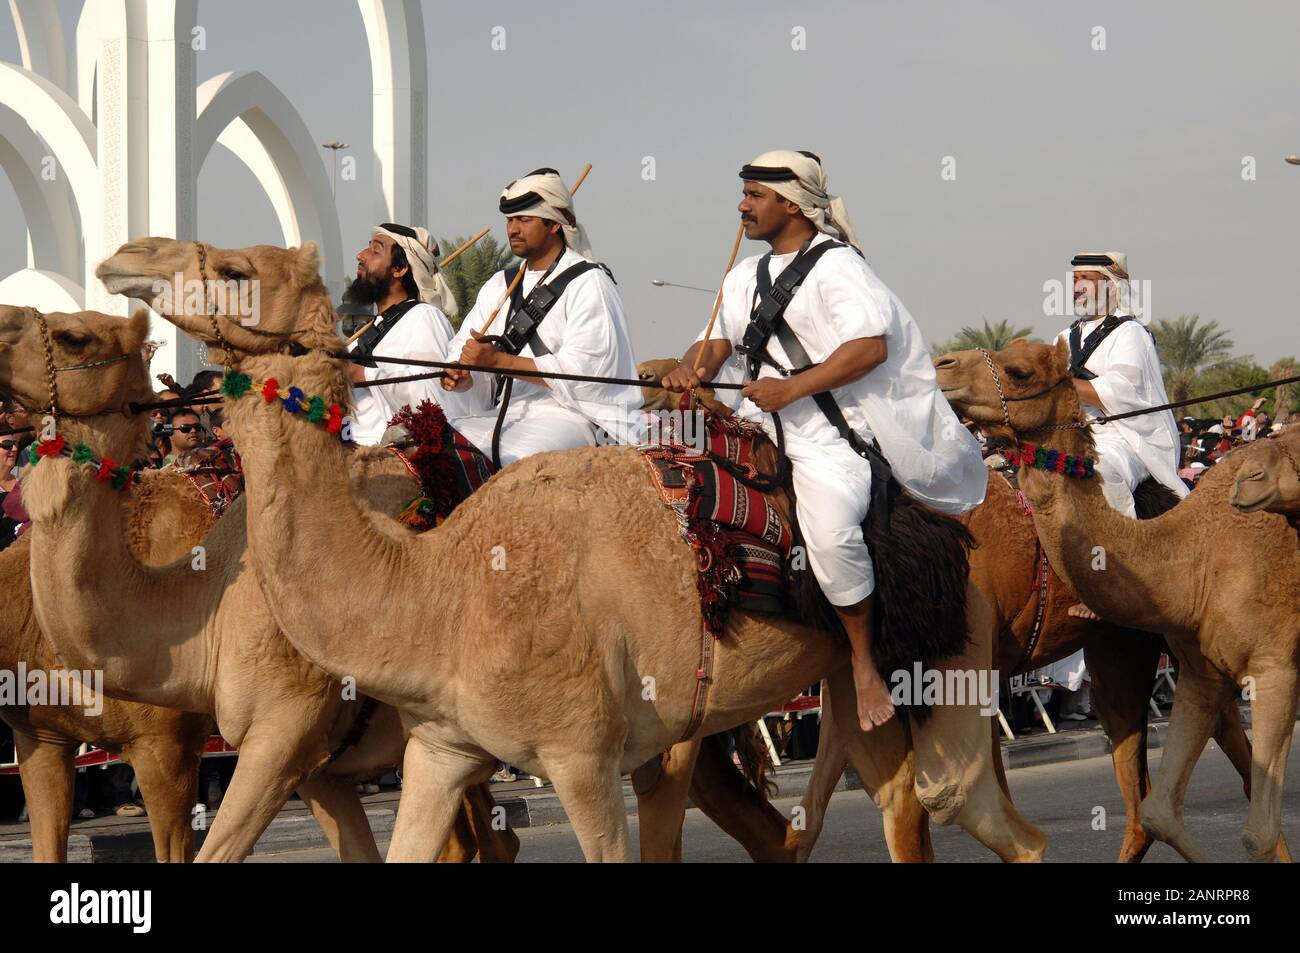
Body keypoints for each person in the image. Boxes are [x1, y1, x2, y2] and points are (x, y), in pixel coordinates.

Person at [661, 150, 986, 732]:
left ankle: (863, 663)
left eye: (754, 195)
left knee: (833, 534)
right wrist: (693, 369)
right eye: (744, 194)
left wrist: (793, 389)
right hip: (755, 426)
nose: (742, 205)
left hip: (829, 438)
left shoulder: (838, 267)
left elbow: (869, 348)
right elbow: (714, 344)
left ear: (791, 203)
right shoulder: (742, 277)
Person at [440, 167, 644, 464]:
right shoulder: (500, 284)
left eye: (524, 219)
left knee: (516, 460)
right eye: (510, 220)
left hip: (572, 417)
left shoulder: (589, 282)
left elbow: (589, 373)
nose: (512, 229)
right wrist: (462, 376)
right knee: (440, 444)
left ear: (554, 225)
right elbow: (464, 349)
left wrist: (499, 361)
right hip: (506, 413)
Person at [1058, 252, 1188, 619]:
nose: (1076, 287)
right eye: (1074, 279)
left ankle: (1119, 579)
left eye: (1086, 279)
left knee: (1101, 470)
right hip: (1073, 434)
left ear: (1110, 287)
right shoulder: (1064, 336)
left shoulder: (1130, 333)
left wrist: (1058, 383)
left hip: (1123, 437)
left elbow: (1119, 390)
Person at [344, 223, 460, 446]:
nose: (361, 255)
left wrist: (364, 375)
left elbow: (431, 397)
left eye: (375, 251)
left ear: (399, 269)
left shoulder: (424, 317)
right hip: (346, 448)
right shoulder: (370, 329)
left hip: (384, 457)